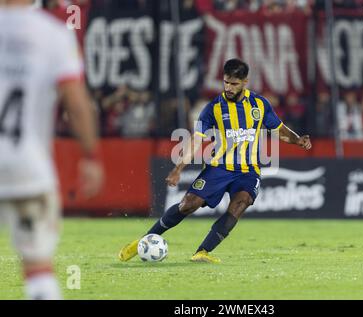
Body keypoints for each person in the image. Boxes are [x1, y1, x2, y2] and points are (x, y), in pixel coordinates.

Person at [119, 58, 311, 263]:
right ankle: (142, 242)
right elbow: (195, 141)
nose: (228, 87)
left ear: (245, 82)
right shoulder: (213, 108)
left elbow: (278, 130)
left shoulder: (259, 105)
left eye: (234, 83)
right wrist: (178, 168)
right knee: (188, 205)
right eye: (226, 82)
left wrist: (296, 139)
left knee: (242, 202)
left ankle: (203, 251)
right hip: (219, 168)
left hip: (248, 170)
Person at [0, 0, 104, 299]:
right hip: (27, 170)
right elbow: (76, 102)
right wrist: (91, 156)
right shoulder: (53, 34)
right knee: (37, 268)